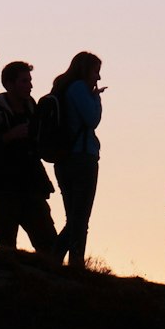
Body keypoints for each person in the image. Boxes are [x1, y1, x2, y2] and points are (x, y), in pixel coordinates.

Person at [0, 60, 57, 253]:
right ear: (9, 84)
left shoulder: (33, 110)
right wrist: (10, 136)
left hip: (31, 187)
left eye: (29, 81)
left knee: (49, 245)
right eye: (24, 81)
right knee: (7, 247)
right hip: (3, 188)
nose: (30, 85)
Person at [49, 52, 103, 268]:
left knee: (74, 216)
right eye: (96, 72)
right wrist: (96, 98)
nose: (98, 78)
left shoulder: (62, 87)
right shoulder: (79, 88)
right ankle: (69, 261)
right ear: (86, 70)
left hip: (64, 159)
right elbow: (92, 119)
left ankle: (60, 260)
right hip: (82, 157)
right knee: (80, 218)